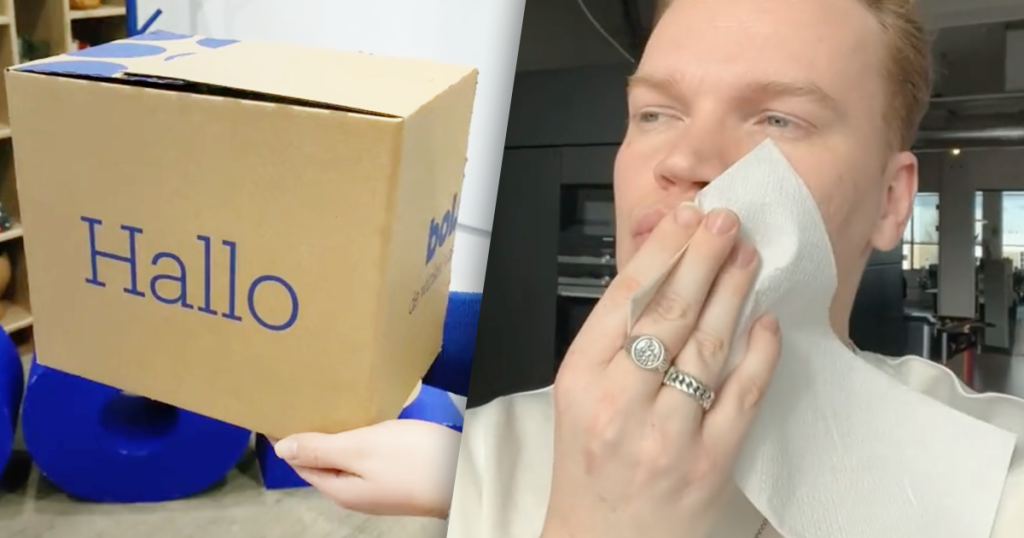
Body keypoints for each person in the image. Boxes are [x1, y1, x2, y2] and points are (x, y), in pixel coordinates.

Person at [443, 1, 1024, 537]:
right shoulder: (462, 465)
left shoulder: (997, 479)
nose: (682, 160)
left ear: (891, 202)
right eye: (654, 113)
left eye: (778, 120)